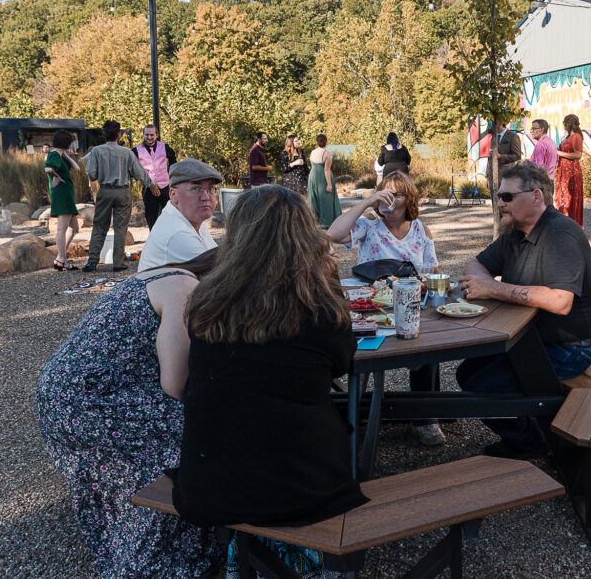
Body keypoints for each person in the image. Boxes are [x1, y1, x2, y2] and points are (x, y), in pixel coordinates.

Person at [171, 186, 367, 578]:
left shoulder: (206, 301)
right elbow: (341, 364)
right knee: (337, 422)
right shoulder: (317, 307)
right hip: (299, 491)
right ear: (305, 236)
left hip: (208, 485)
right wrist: (327, 277)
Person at [36, 249, 221, 579]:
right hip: (89, 402)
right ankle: (162, 550)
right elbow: (175, 384)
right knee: (210, 434)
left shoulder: (167, 273)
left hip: (65, 393)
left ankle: (142, 533)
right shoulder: (186, 290)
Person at [457, 161, 591, 458]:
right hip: (528, 339)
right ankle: (529, 427)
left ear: (536, 197)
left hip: (568, 347)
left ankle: (531, 443)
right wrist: (484, 282)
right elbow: (475, 265)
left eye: (507, 197)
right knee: (468, 372)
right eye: (498, 197)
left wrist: (493, 289)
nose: (499, 203)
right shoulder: (515, 233)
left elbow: (560, 302)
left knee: (482, 387)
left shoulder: (561, 234)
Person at [326, 171, 444, 446]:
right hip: (370, 308)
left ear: (409, 199)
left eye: (396, 194)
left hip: (411, 304)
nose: (388, 199)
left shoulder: (420, 229)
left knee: (429, 347)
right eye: (384, 192)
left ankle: (425, 416)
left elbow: (433, 271)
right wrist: (367, 202)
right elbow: (333, 234)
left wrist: (430, 285)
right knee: (363, 351)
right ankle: (360, 409)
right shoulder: (368, 225)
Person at [83, 120, 160, 273]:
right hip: (122, 191)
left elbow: (91, 175)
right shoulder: (126, 152)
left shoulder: (96, 151)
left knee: (99, 226)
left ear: (104, 134)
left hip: (104, 191)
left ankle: (92, 262)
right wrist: (151, 184)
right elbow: (139, 172)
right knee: (120, 228)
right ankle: (117, 263)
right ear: (118, 135)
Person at [137, 159, 222, 272]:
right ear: (173, 195)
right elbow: (222, 278)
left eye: (210, 189)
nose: (206, 197)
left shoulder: (192, 221)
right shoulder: (178, 233)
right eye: (196, 189)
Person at [44, 130, 81, 270]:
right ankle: (62, 259)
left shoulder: (60, 155)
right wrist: (56, 176)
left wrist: (66, 156)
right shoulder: (53, 155)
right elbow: (48, 168)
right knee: (62, 227)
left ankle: (60, 257)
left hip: (67, 193)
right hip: (61, 193)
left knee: (74, 228)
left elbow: (77, 168)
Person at [133, 125, 177, 230]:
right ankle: (154, 238)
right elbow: (131, 167)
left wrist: (171, 175)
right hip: (148, 187)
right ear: (143, 135)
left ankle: (169, 237)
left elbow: (174, 163)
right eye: (147, 134)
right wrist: (138, 179)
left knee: (169, 214)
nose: (149, 137)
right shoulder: (136, 150)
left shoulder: (165, 147)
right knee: (151, 216)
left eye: (152, 135)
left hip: (165, 186)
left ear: (156, 135)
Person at [554, 114, 585, 226]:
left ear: (569, 123)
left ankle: (572, 224)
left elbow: (578, 155)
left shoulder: (577, 137)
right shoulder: (567, 137)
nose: (564, 126)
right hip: (564, 171)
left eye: (565, 123)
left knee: (570, 197)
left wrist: (559, 153)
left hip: (571, 172)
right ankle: (563, 223)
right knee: (562, 197)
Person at [307, 134, 342, 228]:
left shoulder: (312, 152)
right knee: (326, 199)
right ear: (326, 141)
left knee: (314, 199)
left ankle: (314, 222)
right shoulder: (328, 154)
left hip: (313, 176)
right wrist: (329, 184)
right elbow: (326, 170)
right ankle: (327, 222)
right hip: (323, 177)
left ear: (317, 142)